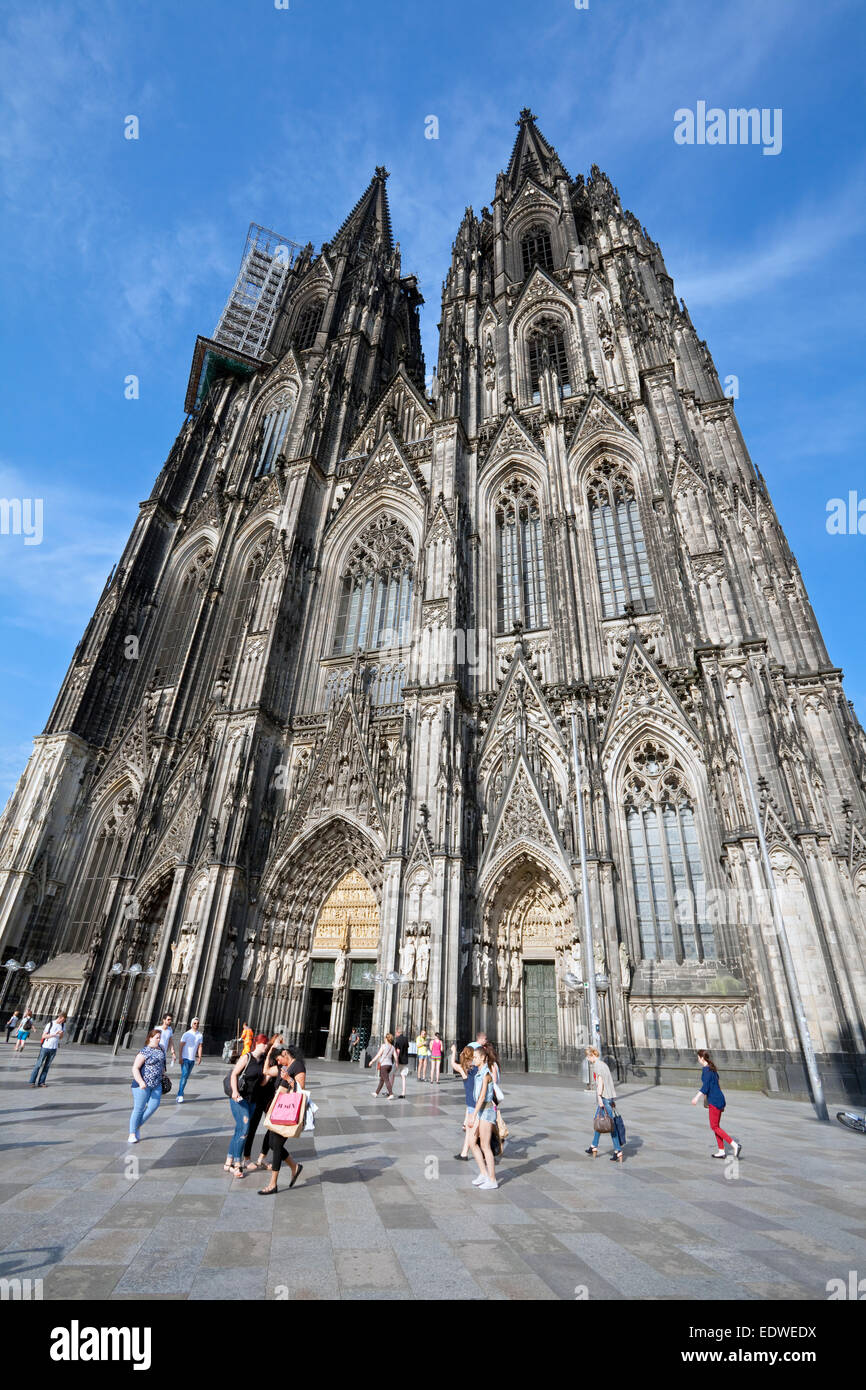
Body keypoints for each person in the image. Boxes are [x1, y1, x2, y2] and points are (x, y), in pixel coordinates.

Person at [257, 1043, 306, 1195]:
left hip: (289, 1112)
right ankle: (294, 1166)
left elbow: (300, 1090)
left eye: (278, 1059)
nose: (278, 1063)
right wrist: (271, 1051)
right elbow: (266, 1071)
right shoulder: (285, 1066)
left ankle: (273, 1184)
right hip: (281, 1111)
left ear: (285, 1054)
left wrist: (289, 1079)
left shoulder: (298, 1066)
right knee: (272, 1143)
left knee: (276, 1145)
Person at [224, 1036, 266, 1178]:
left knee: (239, 1130)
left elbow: (263, 1081)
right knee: (244, 1129)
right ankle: (237, 1164)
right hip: (239, 1098)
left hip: (252, 1101)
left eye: (266, 1044)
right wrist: (235, 1092)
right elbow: (234, 1074)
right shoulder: (246, 1058)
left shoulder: (263, 1061)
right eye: (263, 1043)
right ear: (257, 1044)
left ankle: (228, 1162)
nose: (265, 1046)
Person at [691, 1049, 742, 1159]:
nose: (698, 1059)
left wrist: (696, 1097)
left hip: (715, 1100)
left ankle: (734, 1145)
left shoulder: (706, 1070)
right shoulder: (712, 1069)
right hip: (719, 1098)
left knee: (714, 1126)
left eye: (698, 1057)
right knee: (716, 1126)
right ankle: (721, 1151)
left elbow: (706, 1087)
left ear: (702, 1058)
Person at [242, 1034, 279, 1170]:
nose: (279, 1047)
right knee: (252, 1127)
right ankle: (246, 1158)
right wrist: (269, 1073)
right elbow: (262, 1081)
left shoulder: (281, 1060)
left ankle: (262, 1157)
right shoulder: (264, 1058)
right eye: (277, 1044)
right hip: (259, 1096)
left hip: (271, 1097)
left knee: (273, 1127)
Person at [466, 1042, 498, 1189]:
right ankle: (483, 1174)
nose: (474, 1060)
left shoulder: (485, 1074)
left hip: (486, 1111)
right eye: (473, 1057)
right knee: (472, 1142)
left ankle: (492, 1180)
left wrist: (472, 1116)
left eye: (476, 1057)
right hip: (479, 1111)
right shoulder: (478, 1072)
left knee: (485, 1145)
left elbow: (482, 1096)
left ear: (483, 1058)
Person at [584, 1046, 622, 1163]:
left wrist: (599, 1097)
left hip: (604, 1098)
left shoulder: (597, 1065)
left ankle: (618, 1150)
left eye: (587, 1057)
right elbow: (609, 1082)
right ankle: (593, 1145)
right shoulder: (604, 1065)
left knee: (610, 1125)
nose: (587, 1059)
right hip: (609, 1097)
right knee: (599, 1121)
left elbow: (600, 1082)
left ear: (592, 1055)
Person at [127, 1026, 166, 1142]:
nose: (159, 1040)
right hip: (143, 1084)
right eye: (157, 1038)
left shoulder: (161, 1049)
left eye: (160, 1038)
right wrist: (140, 1082)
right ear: (150, 1038)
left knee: (154, 1106)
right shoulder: (144, 1051)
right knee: (138, 1109)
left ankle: (137, 1125)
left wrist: (163, 1074)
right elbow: (135, 1068)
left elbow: (162, 1065)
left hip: (156, 1083)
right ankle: (132, 1133)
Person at [452, 1045, 478, 1159]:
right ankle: (464, 1153)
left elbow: (452, 1064)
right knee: (471, 1129)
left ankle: (470, 1153)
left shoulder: (463, 1069)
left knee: (471, 1131)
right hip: (479, 1102)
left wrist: (453, 1051)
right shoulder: (477, 1068)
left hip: (471, 1103)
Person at [28, 1012, 66, 1088]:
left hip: (54, 1048)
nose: (64, 1021)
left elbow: (61, 1037)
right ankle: (32, 1081)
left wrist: (61, 1034)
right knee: (38, 1065)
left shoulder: (62, 1025)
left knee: (47, 1066)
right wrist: (54, 1034)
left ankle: (41, 1082)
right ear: (60, 1017)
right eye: (63, 1019)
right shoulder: (50, 1024)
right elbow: (43, 1036)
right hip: (45, 1047)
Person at [176, 1017, 203, 1103]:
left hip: (192, 1059)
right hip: (185, 1058)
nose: (196, 1025)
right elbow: (181, 1046)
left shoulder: (200, 1035)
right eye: (195, 1023)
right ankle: (180, 1095)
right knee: (184, 1076)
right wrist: (180, 1057)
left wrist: (199, 1057)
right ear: (191, 1024)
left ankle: (180, 1092)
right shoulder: (186, 1034)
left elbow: (200, 1046)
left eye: (198, 1023)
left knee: (186, 1077)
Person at [369, 1033, 397, 1098]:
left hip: (384, 1065)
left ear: (386, 1039)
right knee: (382, 1080)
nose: (384, 1039)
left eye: (385, 1038)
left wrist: (372, 1061)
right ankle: (376, 1093)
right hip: (389, 1065)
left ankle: (391, 1094)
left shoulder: (383, 1046)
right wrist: (397, 1063)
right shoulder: (392, 1047)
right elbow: (396, 1057)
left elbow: (378, 1055)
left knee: (386, 1080)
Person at [393, 1026, 409, 1098]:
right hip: (405, 1060)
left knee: (392, 1075)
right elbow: (407, 1047)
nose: (395, 1034)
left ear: (397, 1032)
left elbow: (398, 1051)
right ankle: (403, 1093)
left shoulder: (398, 1040)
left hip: (399, 1060)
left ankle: (390, 1091)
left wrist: (396, 1061)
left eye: (396, 1032)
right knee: (403, 1076)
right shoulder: (406, 1039)